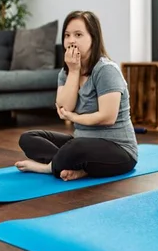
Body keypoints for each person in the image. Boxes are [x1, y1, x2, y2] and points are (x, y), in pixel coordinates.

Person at [15, 10, 138, 181]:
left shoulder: (106, 70)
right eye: (67, 35)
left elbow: (108, 117)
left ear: (93, 38)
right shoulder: (65, 73)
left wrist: (73, 117)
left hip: (120, 151)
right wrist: (74, 71)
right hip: (82, 142)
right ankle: (76, 166)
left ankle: (49, 167)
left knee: (76, 146)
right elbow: (65, 107)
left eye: (78, 34)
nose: (71, 40)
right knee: (28, 138)